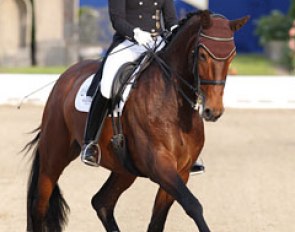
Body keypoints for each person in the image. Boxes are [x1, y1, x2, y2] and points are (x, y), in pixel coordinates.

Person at [80, 0, 205, 174]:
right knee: (108, 83)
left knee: (184, 78)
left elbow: (170, 20)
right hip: (128, 43)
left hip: (159, 42)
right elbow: (117, 20)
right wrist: (135, 33)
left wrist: (178, 33)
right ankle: (91, 143)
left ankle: (191, 150)